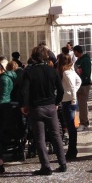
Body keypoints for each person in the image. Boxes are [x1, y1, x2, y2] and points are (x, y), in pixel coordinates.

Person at [20, 45, 67, 176]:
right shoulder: (52, 70)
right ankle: (62, 163)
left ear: (33, 57)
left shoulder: (29, 72)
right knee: (56, 135)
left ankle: (46, 166)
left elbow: (24, 91)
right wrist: (56, 102)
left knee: (40, 138)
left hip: (36, 108)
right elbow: (61, 90)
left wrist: (24, 105)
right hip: (51, 106)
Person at [58, 53, 81, 161]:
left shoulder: (66, 73)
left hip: (68, 102)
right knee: (73, 127)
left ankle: (72, 150)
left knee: (71, 127)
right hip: (71, 101)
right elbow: (78, 81)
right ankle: (73, 149)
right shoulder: (70, 71)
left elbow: (73, 85)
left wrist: (73, 97)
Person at [72, 45, 92, 131]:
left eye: (74, 51)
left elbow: (86, 74)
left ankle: (84, 123)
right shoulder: (79, 60)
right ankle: (84, 120)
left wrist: (81, 80)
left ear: (77, 51)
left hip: (84, 85)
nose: (74, 53)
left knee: (82, 104)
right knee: (81, 104)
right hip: (79, 85)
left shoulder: (85, 60)